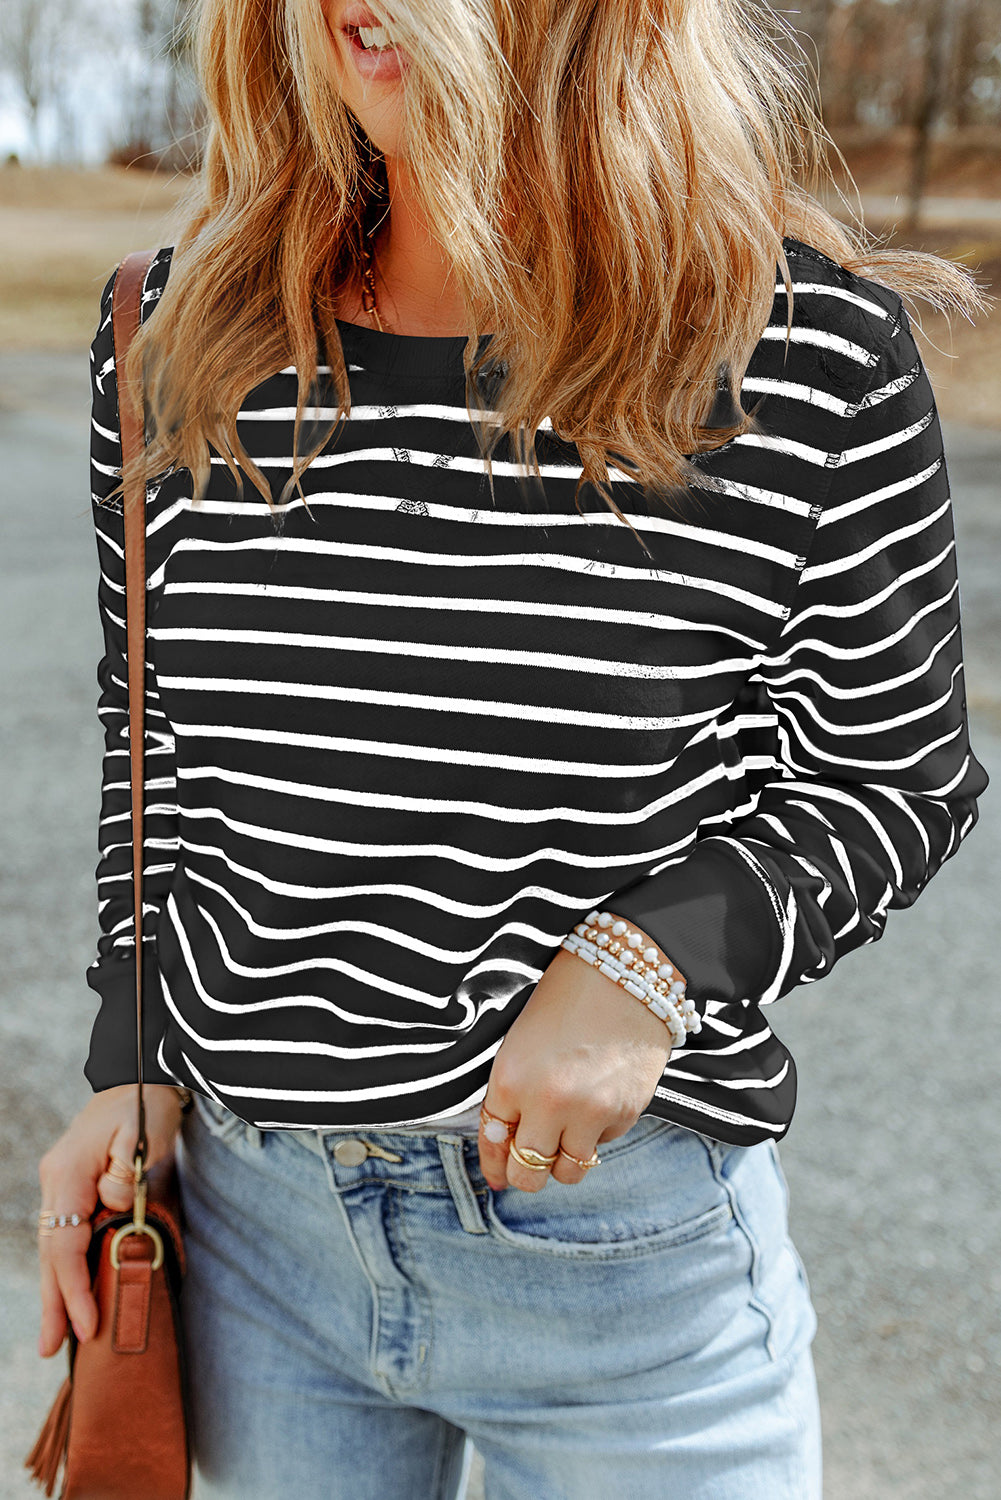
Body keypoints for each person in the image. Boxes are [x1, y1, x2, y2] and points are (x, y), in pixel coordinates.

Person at [35, 2, 989, 1496]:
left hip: (625, 1269)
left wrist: (648, 961)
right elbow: (153, 741)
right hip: (257, 1246)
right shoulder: (167, 336)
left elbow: (896, 779)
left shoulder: (806, 356)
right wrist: (131, 1064)